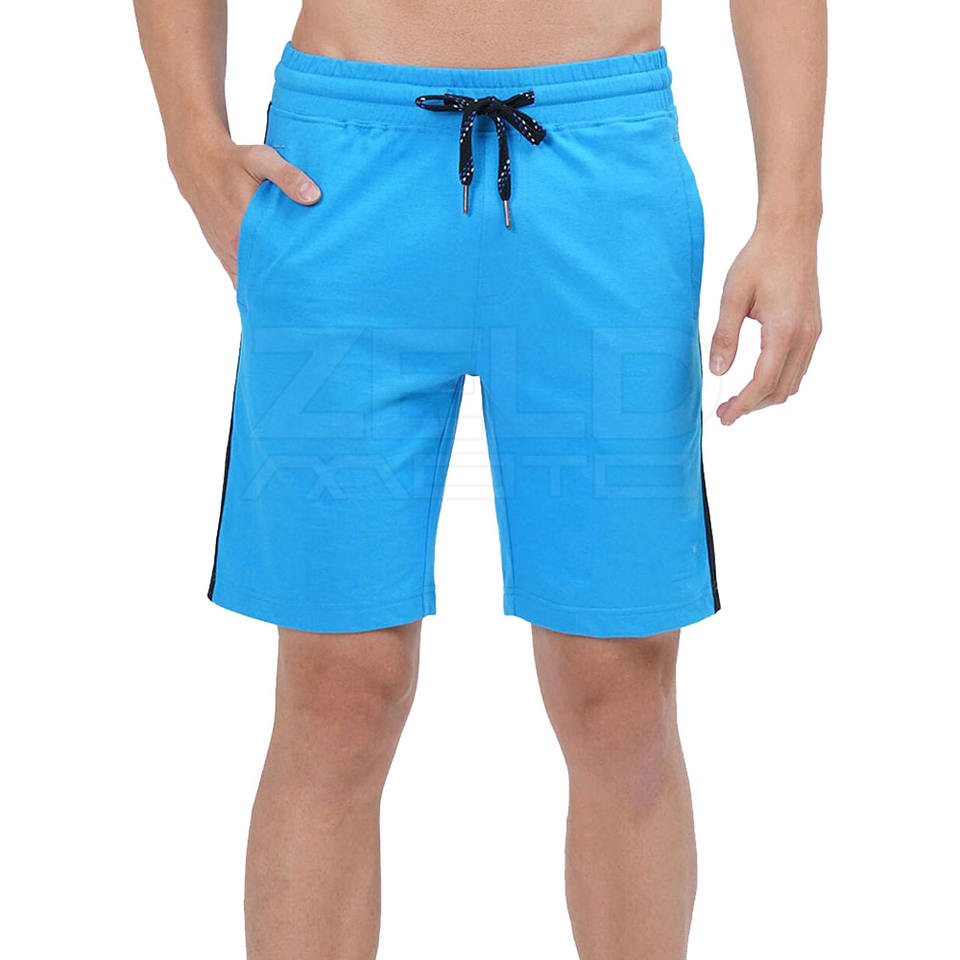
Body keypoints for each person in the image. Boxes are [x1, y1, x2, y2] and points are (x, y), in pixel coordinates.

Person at [134, 0, 825, 955]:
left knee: (620, 693)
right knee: (337, 693)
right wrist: (191, 143)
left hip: (602, 176)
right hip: (340, 181)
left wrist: (792, 215)